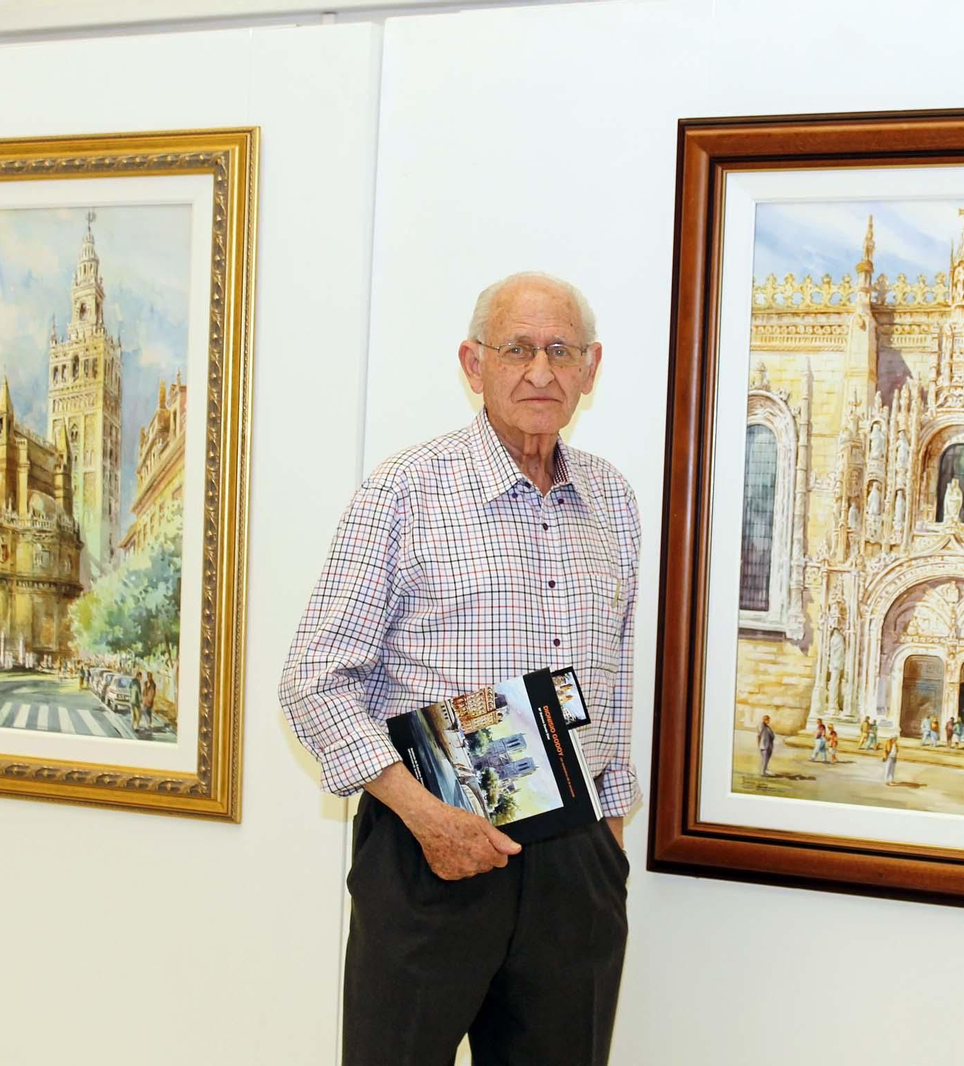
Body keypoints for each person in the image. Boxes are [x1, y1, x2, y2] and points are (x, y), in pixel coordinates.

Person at [281, 273, 637, 1066]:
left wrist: (607, 842)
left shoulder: (613, 501)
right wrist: (427, 817)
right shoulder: (402, 493)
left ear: (591, 366)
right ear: (474, 364)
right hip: (427, 850)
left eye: (560, 350)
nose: (540, 371)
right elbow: (312, 680)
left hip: (574, 870)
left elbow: (615, 681)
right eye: (517, 349)